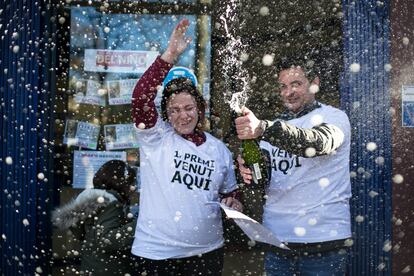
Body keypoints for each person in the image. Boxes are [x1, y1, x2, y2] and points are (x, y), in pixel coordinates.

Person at [130, 18, 243, 275]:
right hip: (156, 256)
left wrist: (234, 203)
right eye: (175, 110)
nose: (183, 116)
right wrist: (169, 55)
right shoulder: (156, 137)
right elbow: (140, 98)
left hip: (207, 255)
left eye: (189, 108)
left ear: (200, 109)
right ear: (166, 114)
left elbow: (231, 192)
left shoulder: (219, 150)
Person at [235, 54, 352, 275]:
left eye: (296, 84)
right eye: (283, 86)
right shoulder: (274, 126)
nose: (289, 92)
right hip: (277, 242)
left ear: (315, 83)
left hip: (324, 242)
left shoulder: (335, 117)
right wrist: (246, 172)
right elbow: (263, 181)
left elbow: (319, 142)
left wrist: (263, 128)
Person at [52, 160, 138, 275]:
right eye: (132, 183)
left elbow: (82, 234)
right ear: (122, 182)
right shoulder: (111, 203)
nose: (134, 188)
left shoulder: (91, 201)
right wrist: (139, 224)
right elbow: (107, 240)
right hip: (109, 269)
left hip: (92, 267)